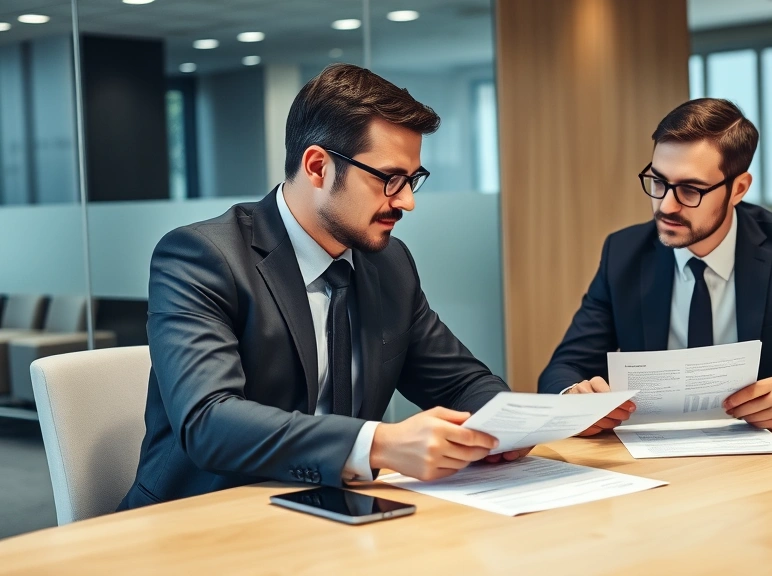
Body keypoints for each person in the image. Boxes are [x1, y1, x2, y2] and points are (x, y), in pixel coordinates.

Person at [120, 64, 526, 510]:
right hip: (200, 520)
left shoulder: (389, 265)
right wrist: (379, 444)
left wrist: (510, 425)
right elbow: (209, 422)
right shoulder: (203, 257)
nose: (406, 200)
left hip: (336, 513)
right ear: (318, 166)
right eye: (389, 178)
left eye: (412, 180)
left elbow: (462, 381)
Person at [538, 98, 772, 435]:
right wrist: (574, 398)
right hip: (648, 456)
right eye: (659, 182)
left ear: (738, 188)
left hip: (768, 462)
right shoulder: (624, 253)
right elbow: (561, 370)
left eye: (691, 190)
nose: (667, 206)